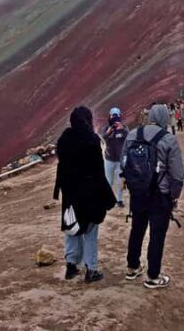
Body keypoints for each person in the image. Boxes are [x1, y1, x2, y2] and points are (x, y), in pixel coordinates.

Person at [121, 103, 184, 289]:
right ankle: (153, 276)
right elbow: (178, 175)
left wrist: (132, 185)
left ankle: (132, 267)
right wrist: (174, 197)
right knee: (157, 235)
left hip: (138, 193)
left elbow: (124, 163)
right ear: (165, 118)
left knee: (137, 229)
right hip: (160, 196)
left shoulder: (133, 134)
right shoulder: (168, 139)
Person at [53, 106, 116, 283]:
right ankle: (91, 269)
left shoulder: (64, 139)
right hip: (90, 193)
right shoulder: (92, 140)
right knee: (90, 230)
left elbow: (62, 166)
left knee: (72, 228)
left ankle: (71, 266)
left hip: (70, 192)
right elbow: (98, 172)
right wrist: (107, 197)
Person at [101, 107, 128, 208]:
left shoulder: (124, 128)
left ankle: (119, 200)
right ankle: (107, 200)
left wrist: (123, 130)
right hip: (109, 159)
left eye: (117, 115)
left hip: (120, 161)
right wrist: (108, 133)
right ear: (109, 116)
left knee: (121, 181)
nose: (115, 118)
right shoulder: (106, 128)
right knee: (108, 181)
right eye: (113, 115)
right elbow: (102, 139)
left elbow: (130, 139)